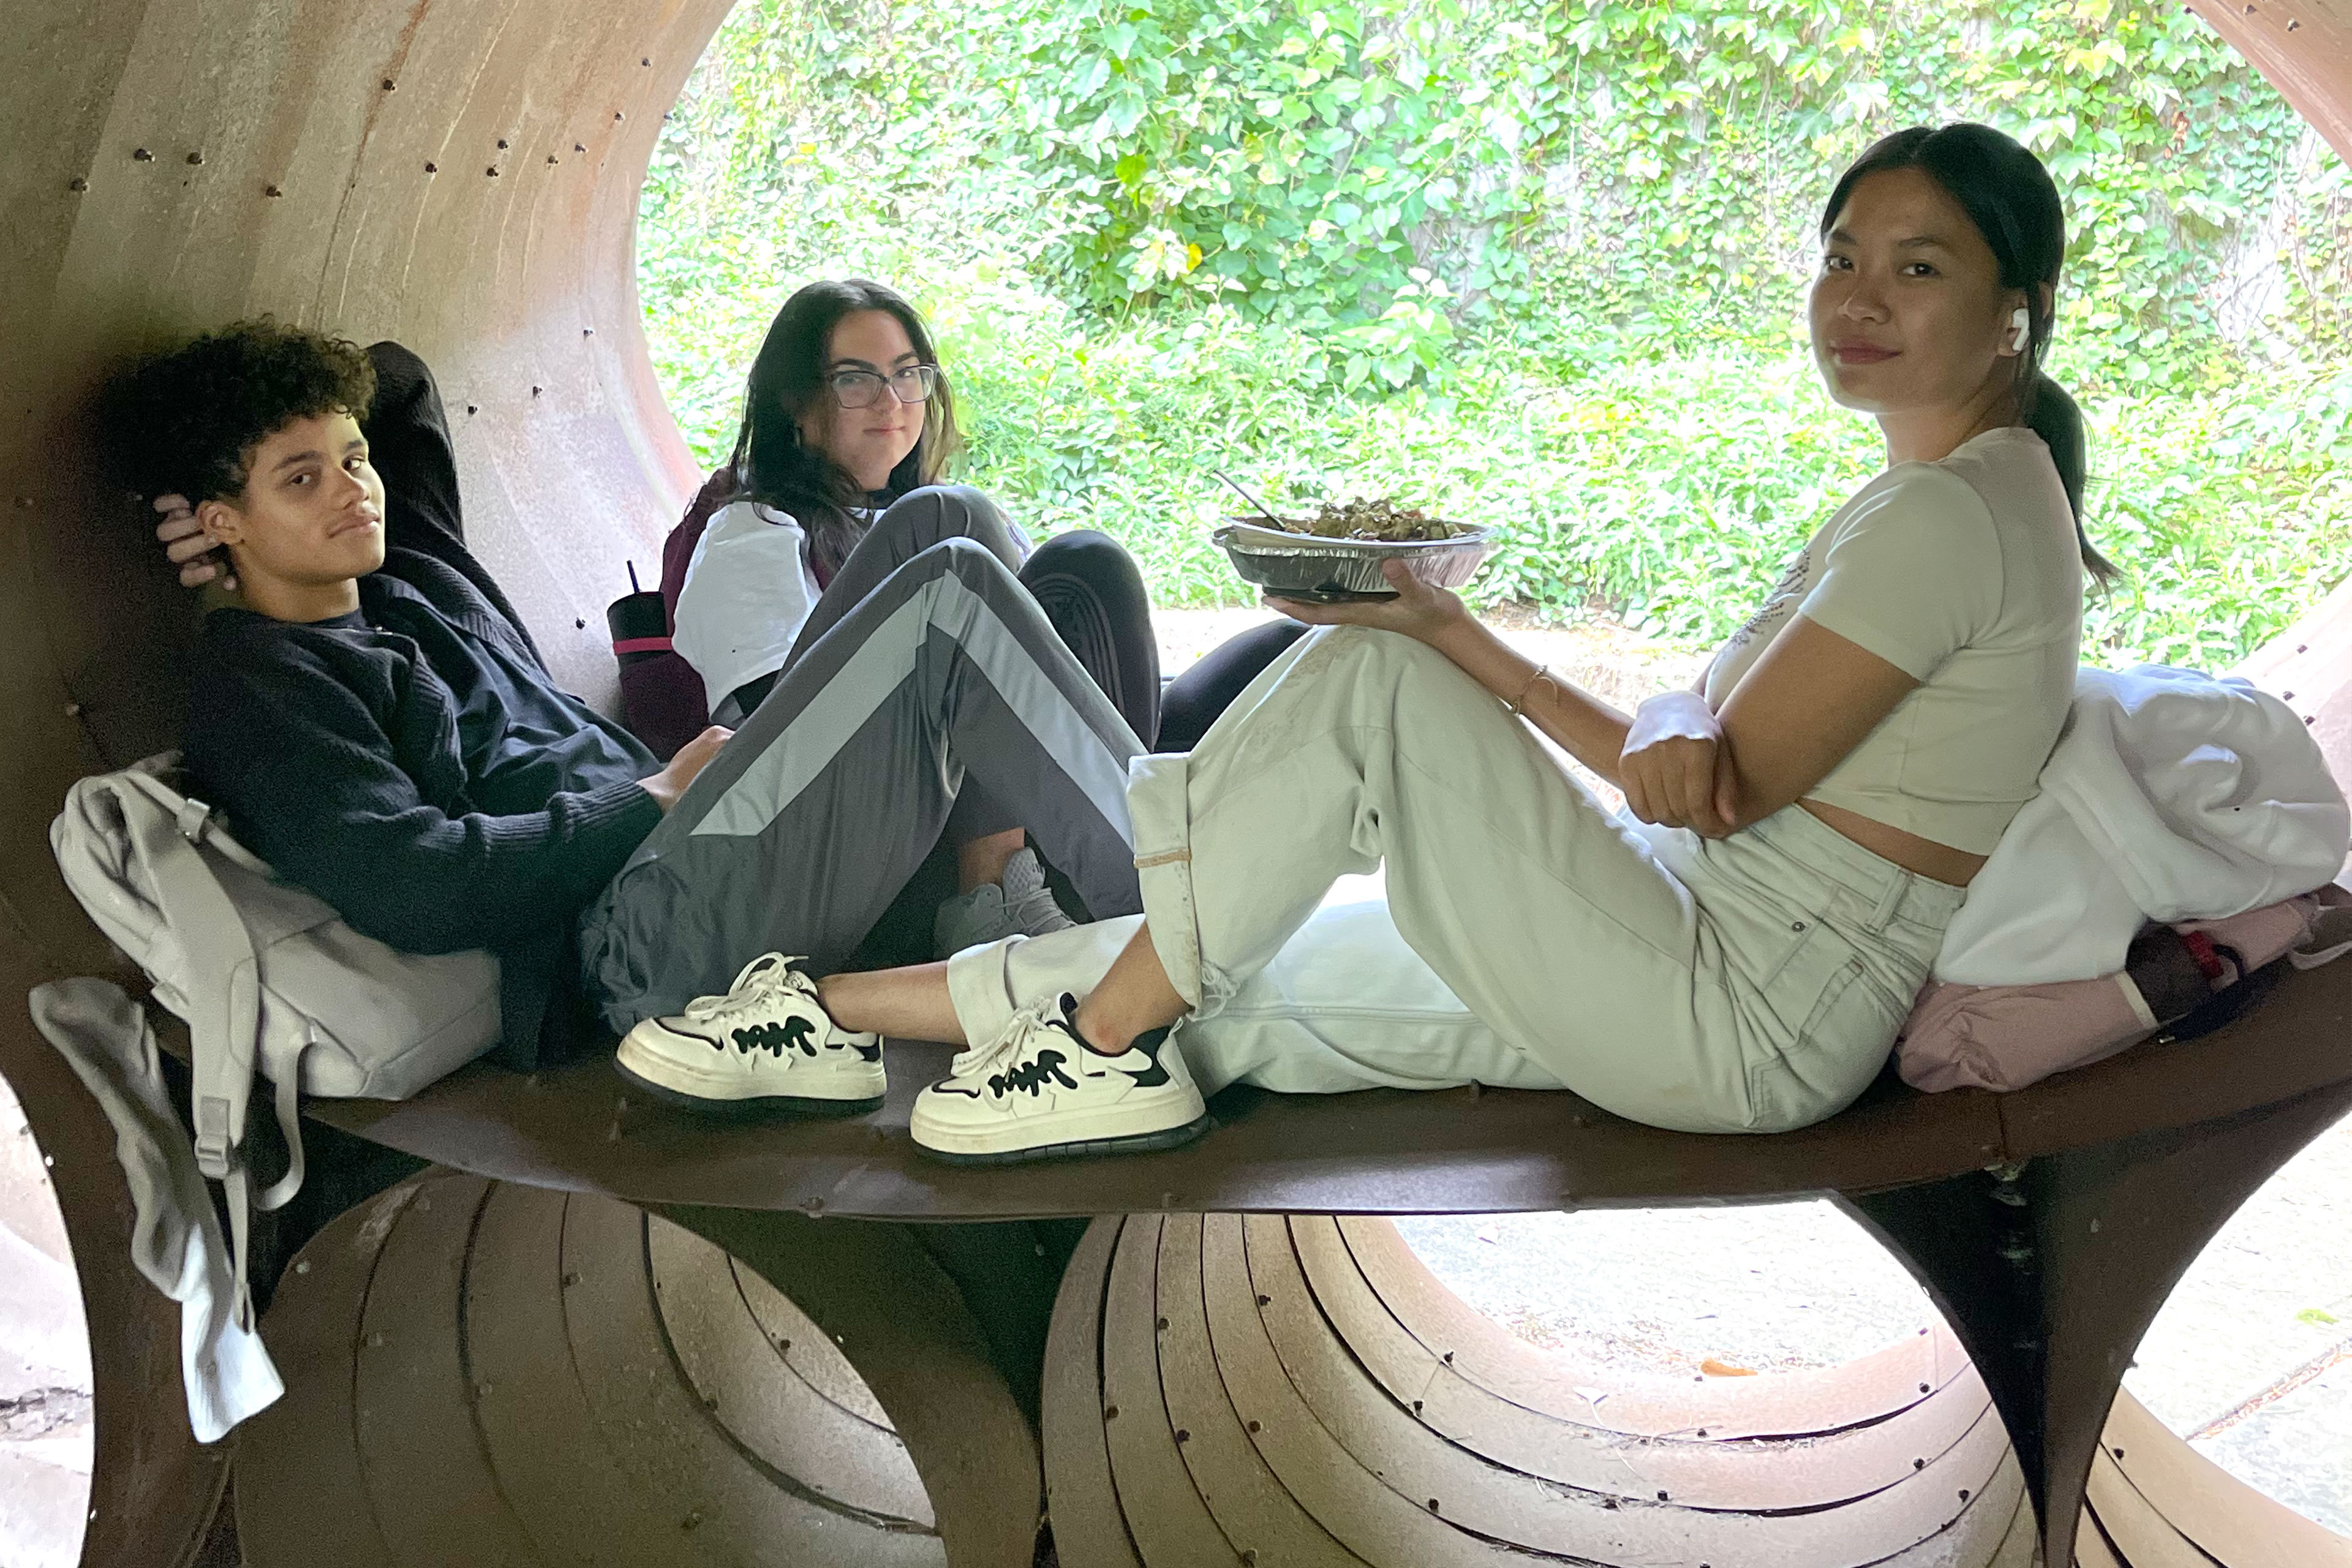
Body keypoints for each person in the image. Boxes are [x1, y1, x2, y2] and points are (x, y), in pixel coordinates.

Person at [782, 121, 2096, 1164]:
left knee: (1366, 687)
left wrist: (1463, 642)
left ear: (2015, 310)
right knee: (1243, 950)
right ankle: (830, 1007)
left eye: (1918, 267)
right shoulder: (1969, 494)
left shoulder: (1948, 515)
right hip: (1691, 932)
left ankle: (1106, 1048)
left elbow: (1716, 785)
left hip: (1738, 1007)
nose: (1857, 296)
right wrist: (1482, 636)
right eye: (1841, 255)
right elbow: (1697, 765)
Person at [110, 323, 1156, 1111]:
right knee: (954, 594)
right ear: (219, 523)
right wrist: (650, 797)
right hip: (636, 941)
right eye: (302, 479)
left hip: (696, 847)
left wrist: (240, 486)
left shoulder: (408, 568)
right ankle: (1189, 903)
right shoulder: (263, 686)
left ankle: (1019, 899)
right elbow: (413, 881)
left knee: (945, 517)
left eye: (351, 458)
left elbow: (400, 379)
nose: (353, 491)